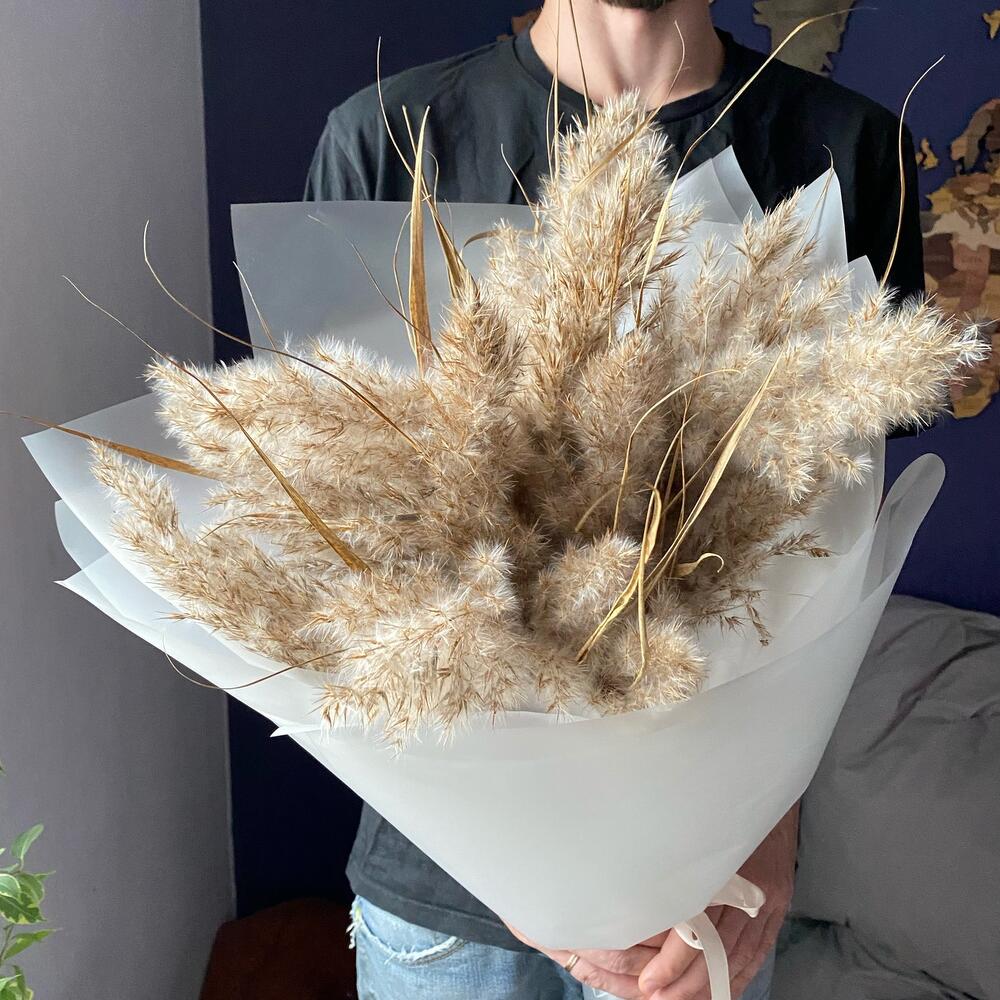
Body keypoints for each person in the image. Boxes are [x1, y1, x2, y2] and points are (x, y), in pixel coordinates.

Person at [305, 2, 924, 998]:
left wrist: (769, 837)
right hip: (451, 900)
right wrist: (518, 869)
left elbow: (824, 555)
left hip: (707, 888)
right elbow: (346, 534)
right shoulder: (389, 138)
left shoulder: (846, 150)